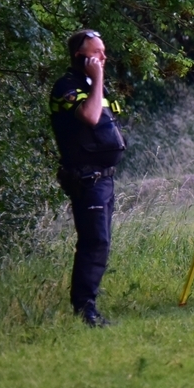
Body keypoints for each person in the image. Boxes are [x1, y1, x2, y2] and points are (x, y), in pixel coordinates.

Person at [49, 29, 127, 327]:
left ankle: (88, 304)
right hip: (85, 178)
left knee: (101, 242)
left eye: (104, 52)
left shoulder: (93, 86)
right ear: (80, 57)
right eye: (97, 54)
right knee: (94, 241)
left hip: (104, 178)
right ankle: (85, 309)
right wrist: (97, 79)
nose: (103, 59)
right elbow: (91, 117)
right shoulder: (66, 86)